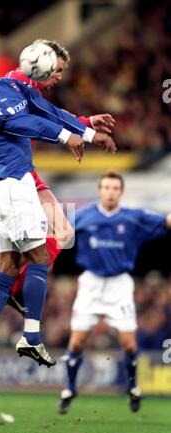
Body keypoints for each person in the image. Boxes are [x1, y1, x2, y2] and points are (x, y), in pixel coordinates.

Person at [0, 55, 116, 380]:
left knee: (11, 262)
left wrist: (83, 126)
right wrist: (70, 136)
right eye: (57, 69)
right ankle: (31, 335)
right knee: (39, 255)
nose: (58, 78)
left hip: (16, 179)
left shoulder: (2, 86)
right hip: (9, 182)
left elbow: (44, 112)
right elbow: (23, 122)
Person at [58, 171, 171, 413]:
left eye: (114, 188)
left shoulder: (133, 217)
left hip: (119, 284)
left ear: (121, 192)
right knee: (76, 342)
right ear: (100, 191)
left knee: (129, 344)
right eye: (106, 187)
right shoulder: (83, 216)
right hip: (91, 283)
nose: (110, 192)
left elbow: (165, 223)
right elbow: (59, 236)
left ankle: (133, 387)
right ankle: (69, 387)